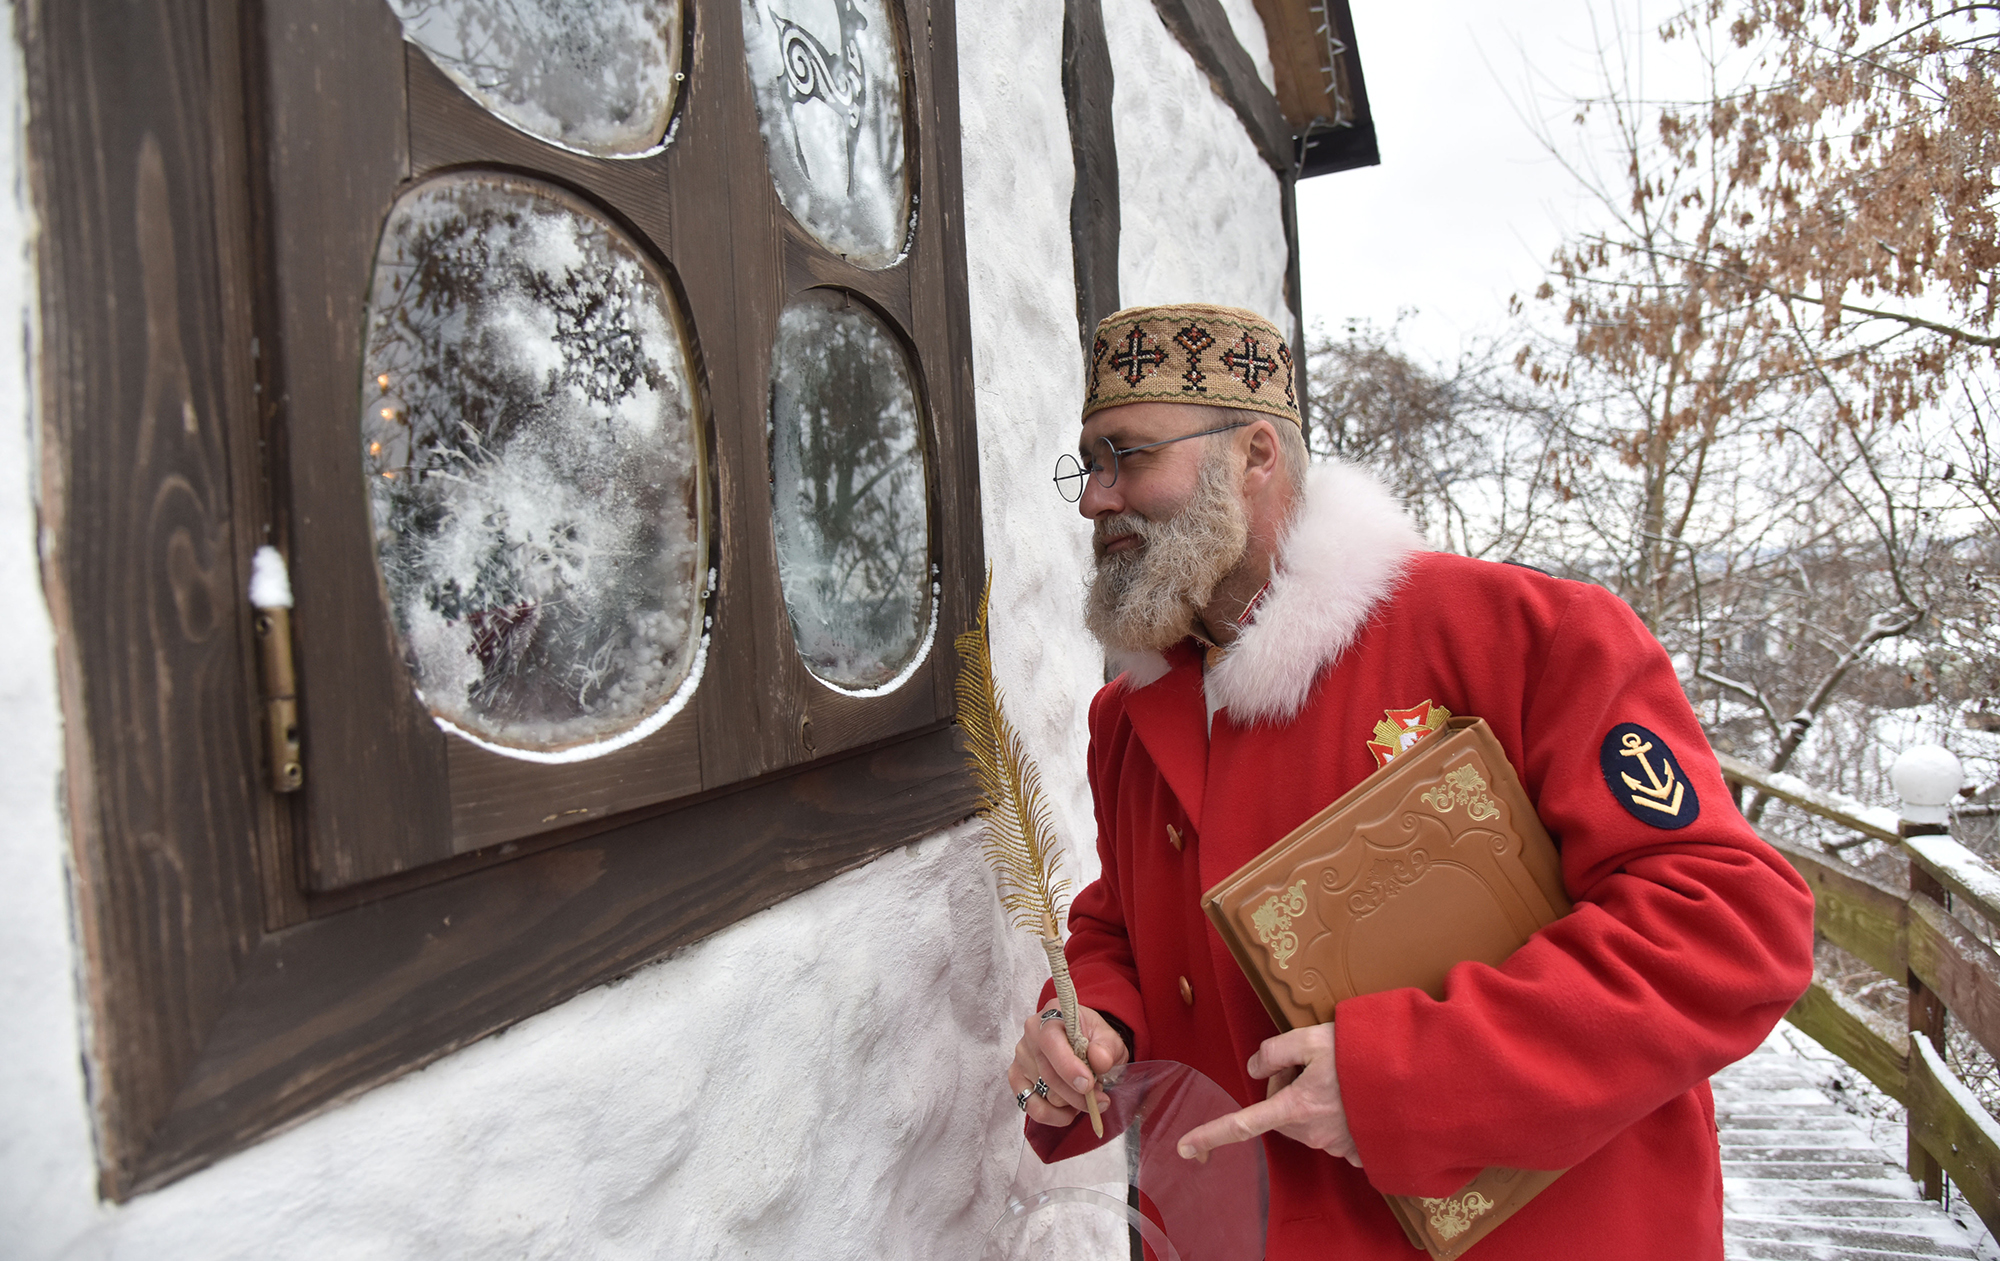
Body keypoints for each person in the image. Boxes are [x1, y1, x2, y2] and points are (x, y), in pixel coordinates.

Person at [1006, 302, 1815, 1259]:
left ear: (1255, 454)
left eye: (1128, 456)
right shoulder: (1127, 723)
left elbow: (1727, 921)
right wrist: (1093, 1015)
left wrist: (1409, 1078)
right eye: (1088, 468)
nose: (1097, 499)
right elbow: (1125, 923)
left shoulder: (1529, 635)